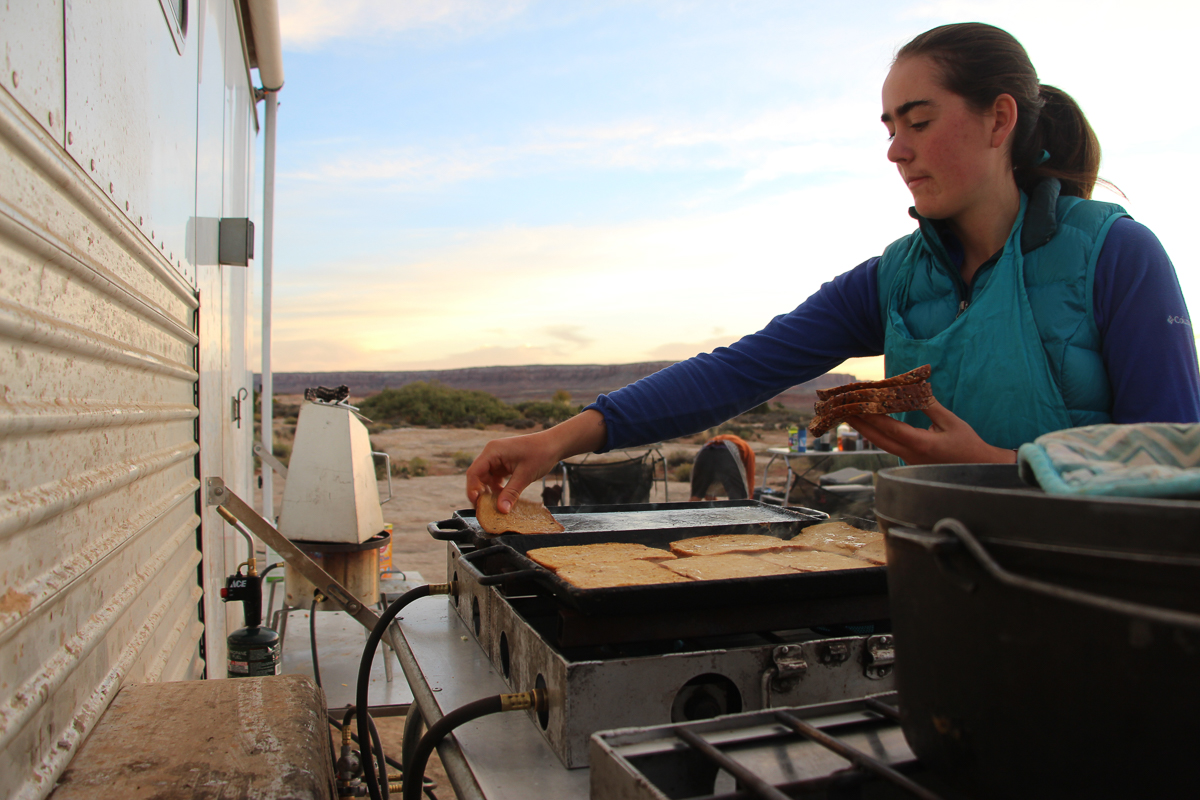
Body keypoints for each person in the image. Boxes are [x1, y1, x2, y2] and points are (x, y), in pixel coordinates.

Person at [468, 22, 1200, 514]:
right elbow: (739, 370)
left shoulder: (1115, 258)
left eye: (918, 122)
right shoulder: (897, 279)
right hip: (940, 596)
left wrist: (1000, 468)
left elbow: (1173, 474)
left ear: (998, 120)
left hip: (1096, 618)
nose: (896, 151)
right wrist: (559, 438)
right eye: (888, 129)